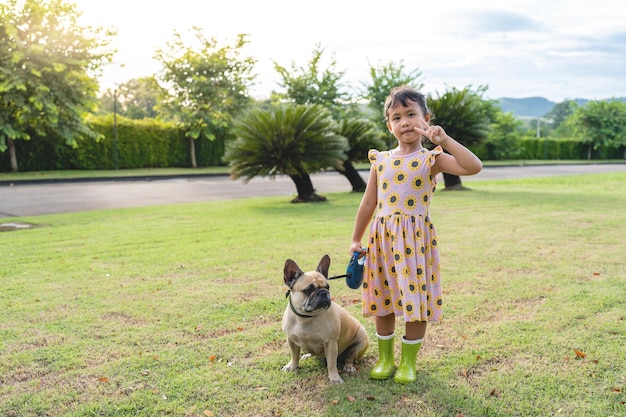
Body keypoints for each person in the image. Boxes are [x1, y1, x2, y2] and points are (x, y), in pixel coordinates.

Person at [349, 85, 482, 384]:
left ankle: (408, 363)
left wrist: (444, 140)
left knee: (415, 300)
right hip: (381, 240)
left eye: (412, 114)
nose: (405, 122)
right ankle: (385, 358)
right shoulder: (379, 160)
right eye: (397, 117)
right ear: (389, 125)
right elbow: (368, 202)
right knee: (383, 299)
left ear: (426, 119)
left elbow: (473, 167)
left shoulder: (431, 159)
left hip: (414, 242)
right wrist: (356, 239)